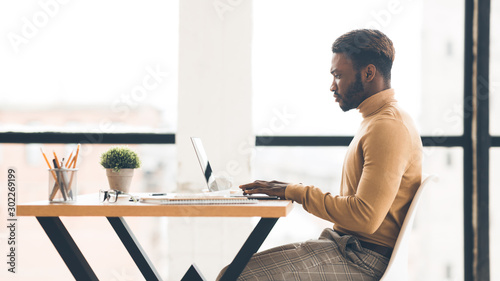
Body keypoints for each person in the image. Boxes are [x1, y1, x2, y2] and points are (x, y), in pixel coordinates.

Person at [218, 29, 422, 281]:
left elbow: (364, 218)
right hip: (347, 246)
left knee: (237, 276)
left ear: (368, 73)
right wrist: (291, 189)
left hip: (363, 260)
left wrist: (295, 191)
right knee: (231, 273)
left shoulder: (387, 126)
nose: (332, 86)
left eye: (338, 76)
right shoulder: (377, 120)